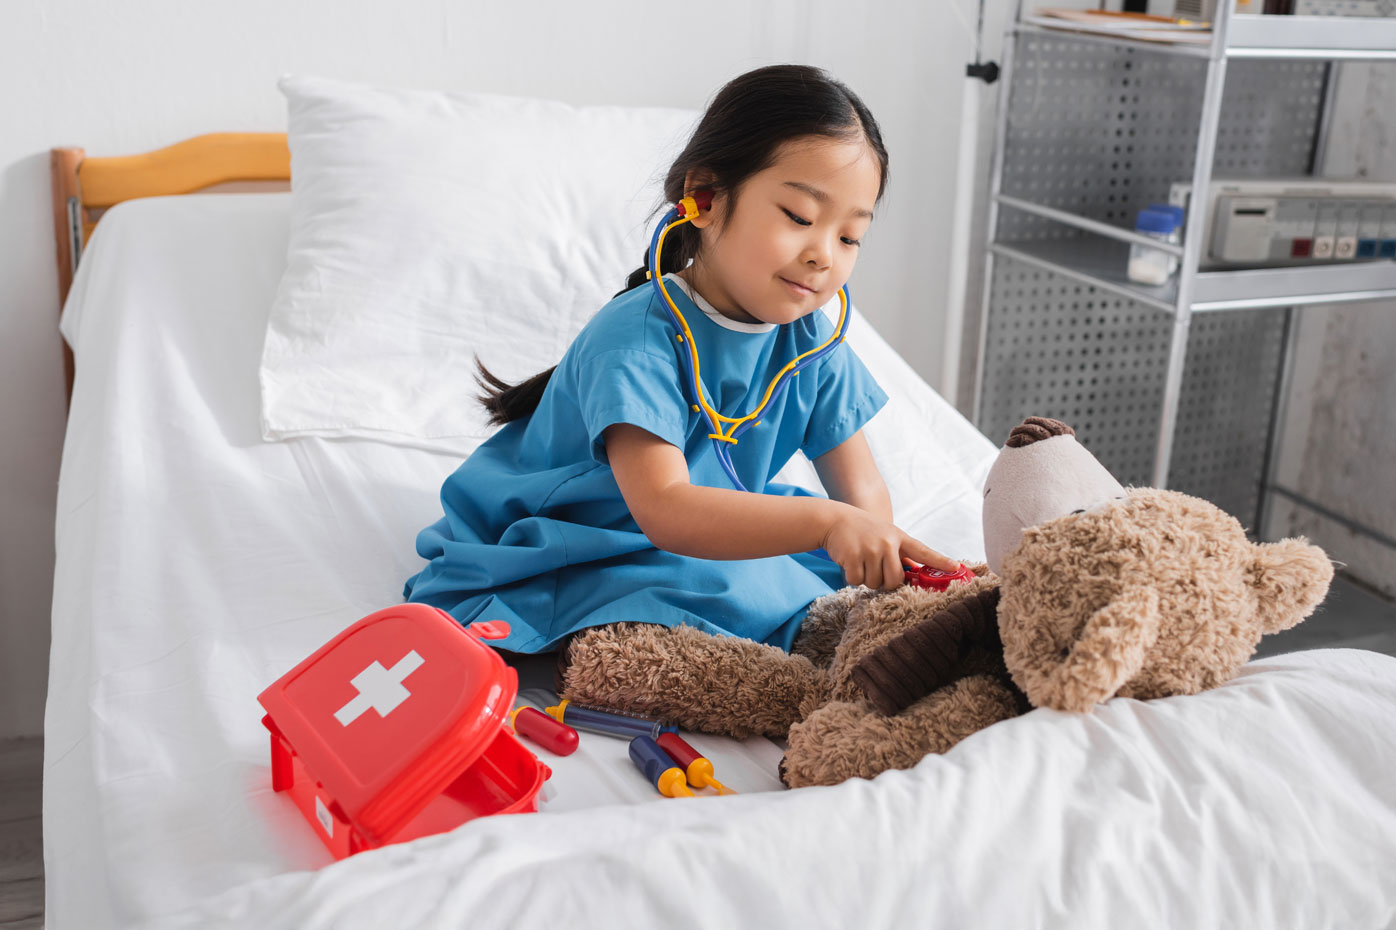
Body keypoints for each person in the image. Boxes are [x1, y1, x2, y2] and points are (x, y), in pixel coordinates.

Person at [403, 63, 960, 656]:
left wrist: (876, 559)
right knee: (738, 587)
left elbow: (862, 493)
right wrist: (829, 525)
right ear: (707, 197)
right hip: (592, 533)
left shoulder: (811, 342)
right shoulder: (636, 339)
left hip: (699, 518)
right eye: (800, 217)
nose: (823, 255)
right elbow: (666, 509)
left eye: (850, 237)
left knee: (808, 564)